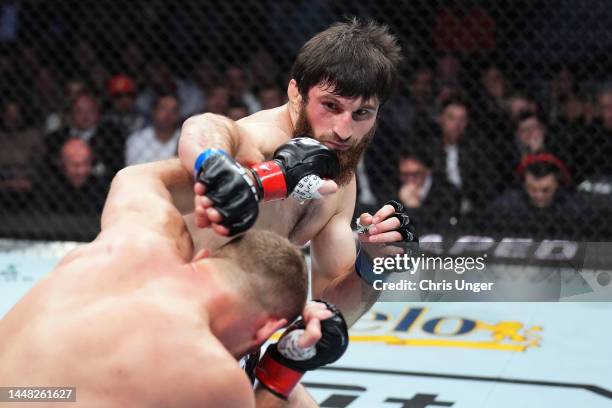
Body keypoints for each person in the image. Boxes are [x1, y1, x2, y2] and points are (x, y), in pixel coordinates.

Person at [0, 159, 348, 407]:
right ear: (263, 331)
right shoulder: (207, 368)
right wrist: (283, 367)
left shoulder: (134, 240)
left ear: (203, 259)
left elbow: (135, 177)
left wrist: (255, 180)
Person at [178, 18, 417, 330]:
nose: (343, 132)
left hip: (232, 334)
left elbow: (331, 310)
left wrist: (371, 265)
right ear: (296, 92)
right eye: (330, 106)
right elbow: (204, 127)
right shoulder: (261, 139)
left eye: (361, 113)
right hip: (167, 318)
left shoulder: (340, 181)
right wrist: (217, 169)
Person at [125, 93, 181, 165]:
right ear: (154, 111)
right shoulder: (136, 140)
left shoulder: (185, 139)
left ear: (178, 115)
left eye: (174, 110)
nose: (168, 114)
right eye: (163, 108)